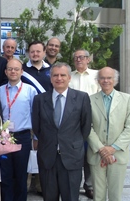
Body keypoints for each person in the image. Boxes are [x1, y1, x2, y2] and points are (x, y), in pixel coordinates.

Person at [32, 62, 92, 201]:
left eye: (63, 75)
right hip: (47, 157)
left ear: (69, 77)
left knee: (71, 197)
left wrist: (72, 142)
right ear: (51, 78)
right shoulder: (40, 99)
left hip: (72, 156)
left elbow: (86, 126)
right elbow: (37, 126)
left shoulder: (82, 98)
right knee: (49, 197)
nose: (59, 78)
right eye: (55, 75)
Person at [87, 67, 130, 201]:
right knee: (98, 195)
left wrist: (112, 148)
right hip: (97, 154)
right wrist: (102, 150)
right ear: (98, 81)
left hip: (118, 154)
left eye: (109, 78)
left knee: (116, 195)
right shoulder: (89, 100)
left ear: (115, 80)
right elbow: (87, 127)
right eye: (102, 78)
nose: (106, 81)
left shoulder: (128, 99)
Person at [0, 59, 38, 201]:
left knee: (21, 175)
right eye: (10, 69)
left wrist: (36, 137)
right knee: (6, 175)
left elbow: (35, 114)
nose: (13, 71)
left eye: (16, 69)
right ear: (6, 72)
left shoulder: (30, 90)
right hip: (3, 137)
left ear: (22, 71)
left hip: (23, 136)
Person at [69, 49, 100, 199]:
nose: (78, 60)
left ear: (88, 59)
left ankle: (89, 185)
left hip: (93, 122)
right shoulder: (69, 77)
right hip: (73, 123)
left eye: (81, 57)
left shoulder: (97, 76)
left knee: (91, 155)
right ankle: (73, 185)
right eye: (76, 58)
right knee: (75, 155)